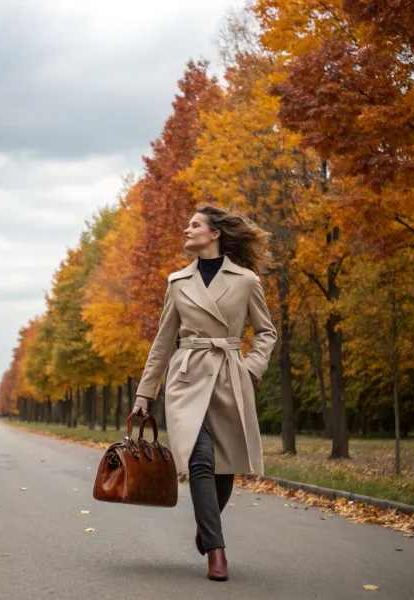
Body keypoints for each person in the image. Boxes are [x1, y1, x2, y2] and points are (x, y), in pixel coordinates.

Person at [131, 205, 277, 582]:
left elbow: (266, 332)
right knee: (200, 459)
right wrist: (144, 394)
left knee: (224, 466)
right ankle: (217, 549)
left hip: (230, 375)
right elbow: (163, 342)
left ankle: (205, 526)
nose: (187, 228)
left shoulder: (245, 280)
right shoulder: (177, 282)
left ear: (215, 234)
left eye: (194, 224)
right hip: (187, 376)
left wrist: (250, 367)